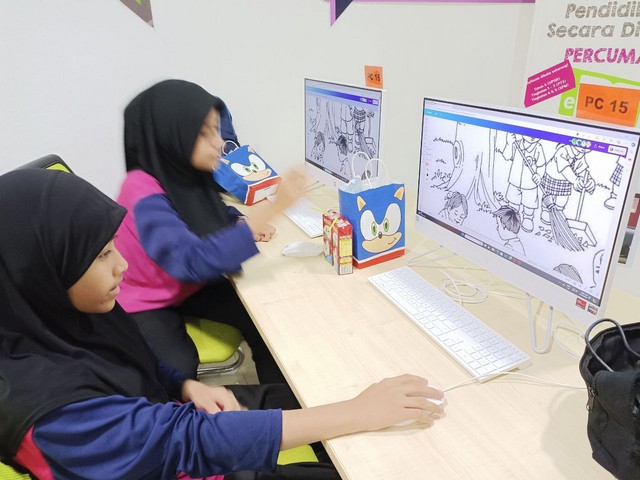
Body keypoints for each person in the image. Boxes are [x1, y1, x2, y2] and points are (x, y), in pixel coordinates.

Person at [0, 168, 445, 480]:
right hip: (179, 454)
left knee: (322, 397)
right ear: (39, 270)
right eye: (101, 256)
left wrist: (183, 386)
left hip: (172, 424)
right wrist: (356, 413)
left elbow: (137, 363)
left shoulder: (61, 315)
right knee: (362, 448)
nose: (122, 265)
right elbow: (189, 443)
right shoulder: (50, 413)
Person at [115, 79, 305, 382]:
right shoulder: (140, 192)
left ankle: (283, 399)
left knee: (268, 323)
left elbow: (199, 209)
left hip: (185, 285)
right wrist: (273, 208)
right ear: (172, 136)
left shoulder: (180, 172)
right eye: (204, 133)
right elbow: (193, 261)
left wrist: (236, 221)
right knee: (177, 370)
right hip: (144, 299)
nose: (219, 142)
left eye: (216, 130)